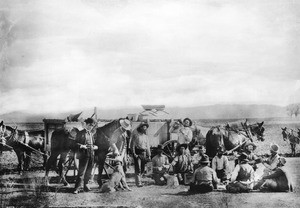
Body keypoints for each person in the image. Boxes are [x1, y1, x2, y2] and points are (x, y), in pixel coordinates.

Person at [73, 118, 98, 194]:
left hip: (91, 155)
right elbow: (75, 143)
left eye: (92, 125)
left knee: (88, 172)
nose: (91, 127)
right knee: (81, 172)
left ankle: (86, 185)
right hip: (83, 155)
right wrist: (81, 146)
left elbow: (93, 143)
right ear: (86, 124)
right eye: (90, 125)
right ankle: (77, 188)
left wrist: (96, 147)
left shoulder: (91, 134)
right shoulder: (80, 133)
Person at [130, 121, 151, 187]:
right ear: (140, 128)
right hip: (137, 153)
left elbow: (147, 146)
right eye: (143, 127)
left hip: (144, 153)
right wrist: (134, 154)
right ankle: (138, 182)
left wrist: (149, 155)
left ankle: (140, 180)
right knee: (138, 168)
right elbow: (132, 145)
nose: (145, 128)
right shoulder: (136, 136)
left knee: (142, 169)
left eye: (146, 127)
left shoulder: (146, 137)